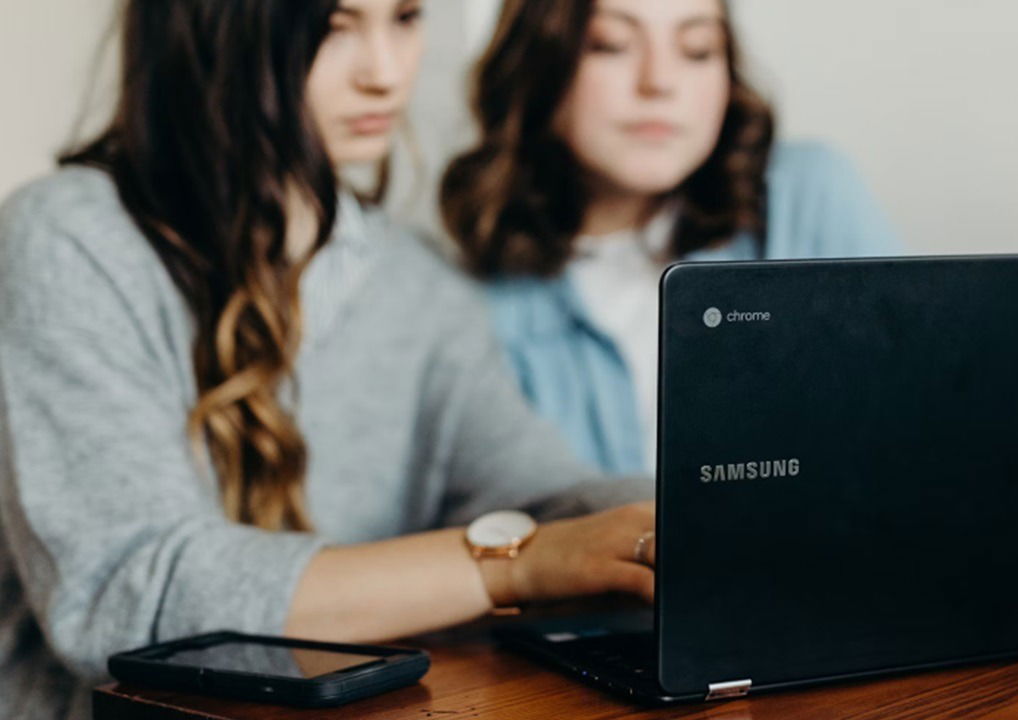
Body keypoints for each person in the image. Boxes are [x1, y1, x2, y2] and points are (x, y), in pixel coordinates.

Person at [0, 2, 655, 718]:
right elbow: (128, 595)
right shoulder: (68, 240)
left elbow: (543, 494)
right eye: (335, 27)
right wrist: (515, 565)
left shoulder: (418, 282)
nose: (384, 72)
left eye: (405, 17)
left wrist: (692, 515)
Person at [441, 0, 900, 476]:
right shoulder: (464, 298)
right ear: (534, 61)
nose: (659, 82)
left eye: (697, 50)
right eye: (610, 45)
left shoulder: (806, 196)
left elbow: (913, 428)